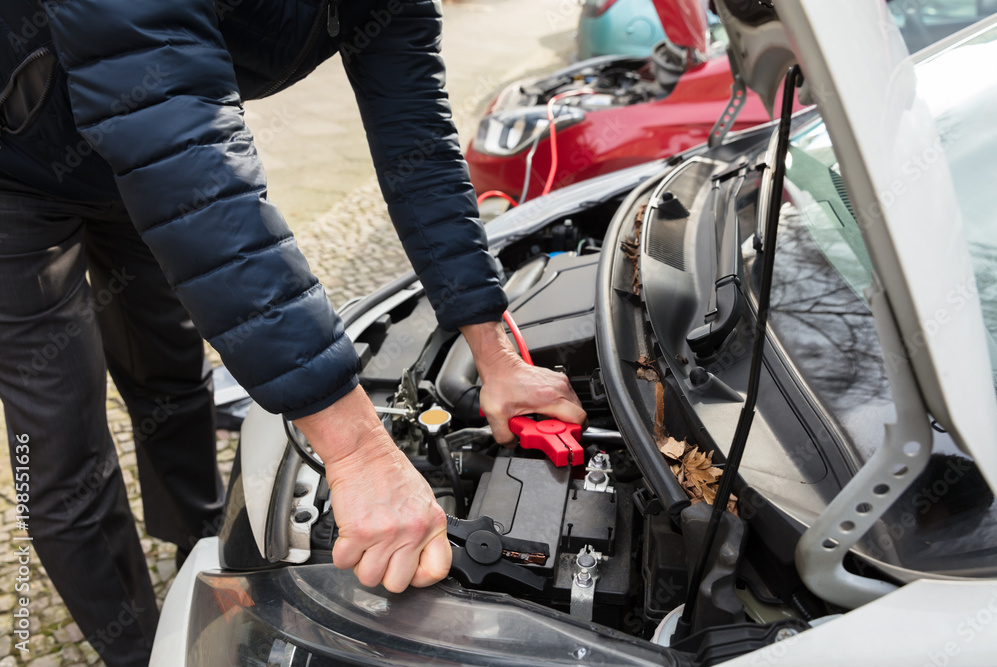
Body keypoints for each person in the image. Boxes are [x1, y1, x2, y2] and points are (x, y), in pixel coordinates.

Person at [0, 0, 586, 665]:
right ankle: (133, 648)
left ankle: (198, 541)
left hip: (127, 153)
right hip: (17, 168)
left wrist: (495, 353)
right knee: (60, 449)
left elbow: (416, 141)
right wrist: (359, 450)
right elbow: (192, 168)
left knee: (170, 370)